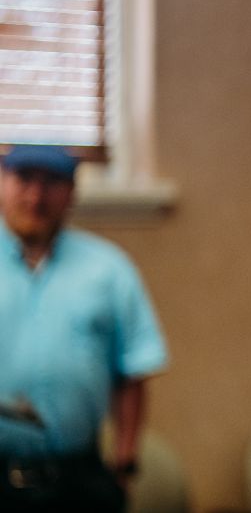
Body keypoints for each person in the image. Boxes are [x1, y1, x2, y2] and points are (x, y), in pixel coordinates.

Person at [0, 144, 167, 512]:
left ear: (72, 192)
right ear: (2, 182)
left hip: (78, 479)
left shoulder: (108, 269)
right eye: (24, 178)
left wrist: (124, 464)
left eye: (51, 182)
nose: (36, 196)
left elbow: (132, 371)